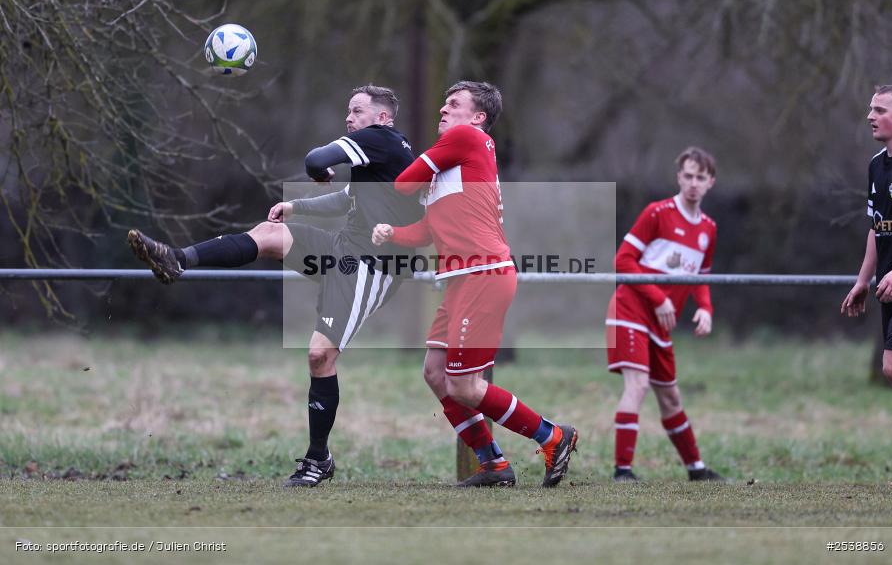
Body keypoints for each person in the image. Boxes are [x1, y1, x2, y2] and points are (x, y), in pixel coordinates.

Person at [126, 85, 423, 487]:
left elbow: (315, 159)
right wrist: (296, 207)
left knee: (320, 356)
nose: (349, 119)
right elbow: (346, 200)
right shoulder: (380, 157)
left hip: (372, 265)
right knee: (269, 233)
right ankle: (179, 260)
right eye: (347, 111)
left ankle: (318, 460)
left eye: (357, 111)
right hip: (342, 249)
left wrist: (318, 172)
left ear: (383, 118)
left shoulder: (382, 140)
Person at [372, 81, 578, 488]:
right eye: (443, 104)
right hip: (461, 281)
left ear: (478, 117)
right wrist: (392, 232)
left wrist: (381, 152)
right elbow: (427, 230)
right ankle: (495, 466)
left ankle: (553, 436)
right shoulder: (452, 166)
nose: (443, 111)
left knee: (465, 385)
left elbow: (402, 183)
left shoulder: (467, 138)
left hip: (482, 275)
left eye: (454, 104)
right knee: (435, 373)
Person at [605, 146, 724, 482]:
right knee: (638, 385)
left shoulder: (709, 229)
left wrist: (705, 308)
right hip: (630, 309)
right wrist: (658, 297)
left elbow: (700, 277)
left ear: (710, 182)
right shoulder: (657, 213)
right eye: (687, 176)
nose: (693, 183)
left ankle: (696, 469)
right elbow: (622, 260)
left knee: (671, 396)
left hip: (661, 323)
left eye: (700, 177)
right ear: (678, 177)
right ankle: (622, 470)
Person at [842, 85, 892, 394]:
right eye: (870, 109)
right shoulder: (876, 165)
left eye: (880, 110)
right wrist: (864, 280)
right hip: (889, 286)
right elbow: (876, 227)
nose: (870, 116)